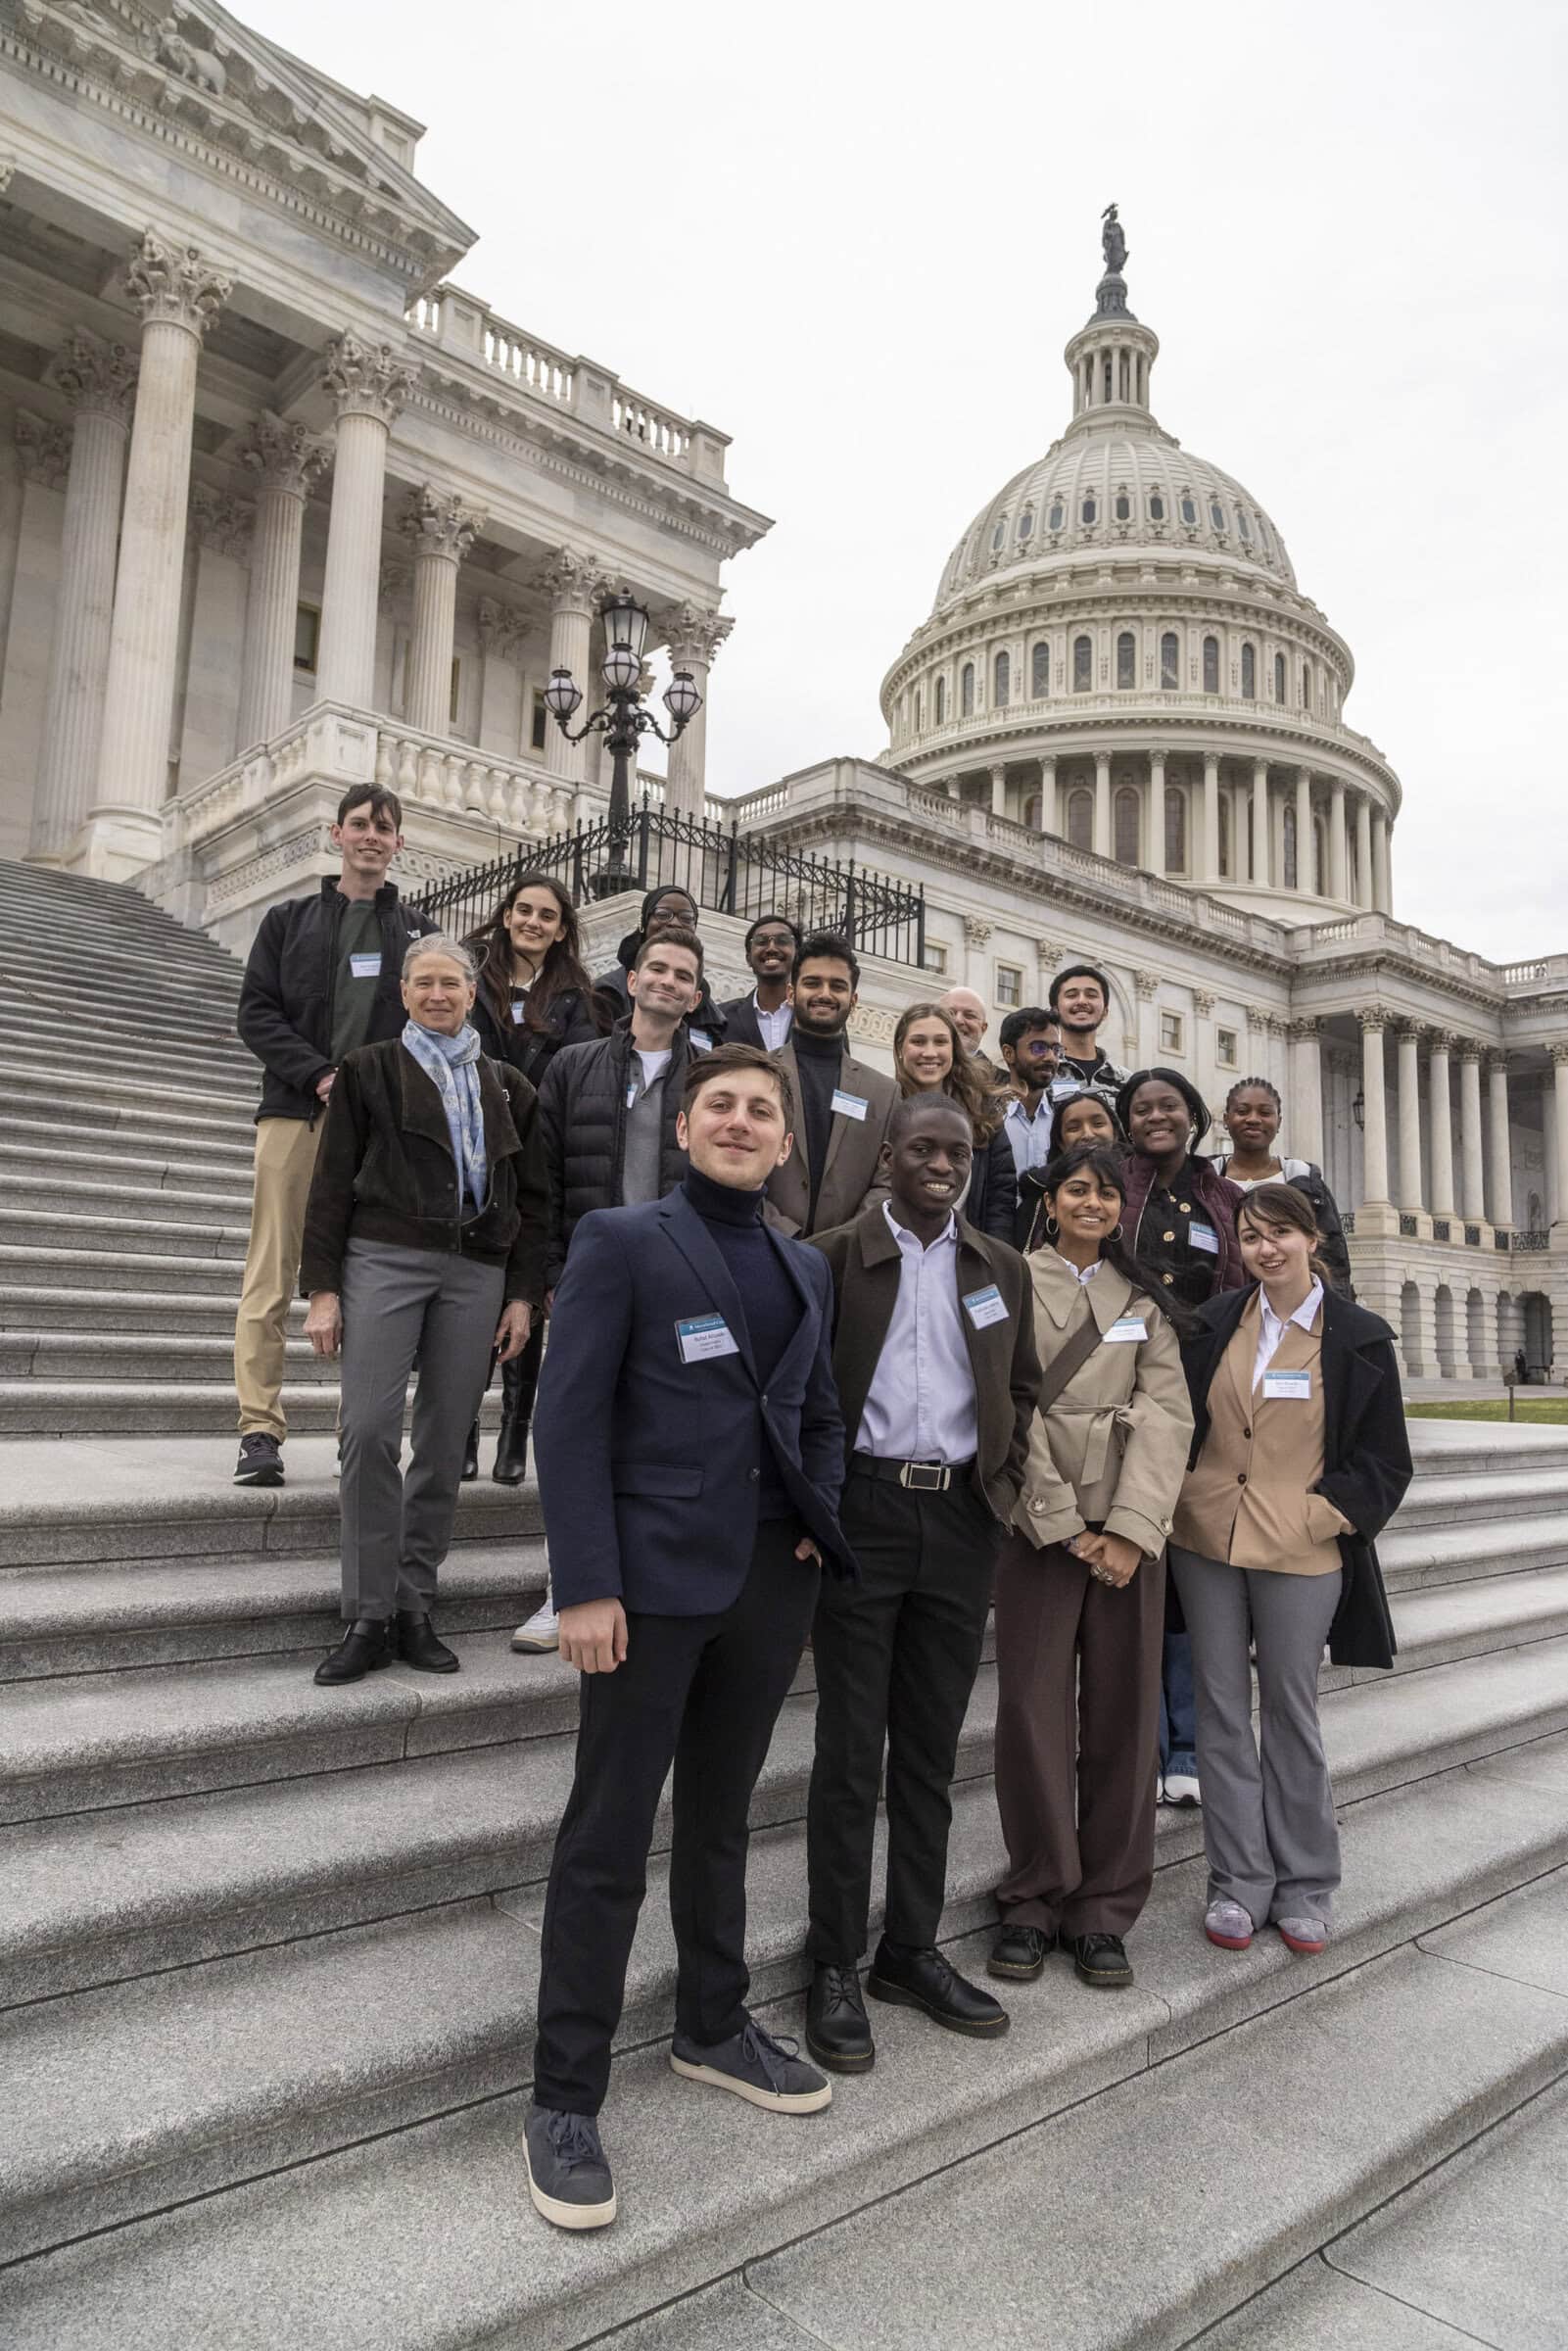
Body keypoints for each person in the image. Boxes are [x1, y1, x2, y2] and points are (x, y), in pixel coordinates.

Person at [523, 1044, 849, 2234]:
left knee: (720, 1820)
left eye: (763, 1110)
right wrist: (584, 1585)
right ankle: (565, 2097)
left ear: (785, 1141)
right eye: (721, 1103)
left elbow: (815, 1410)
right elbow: (568, 1423)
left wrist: (815, 1527)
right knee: (607, 1836)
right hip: (646, 1589)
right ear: (683, 1121)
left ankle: (712, 2026)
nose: (741, 1121)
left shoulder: (802, 1264)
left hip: (767, 1585)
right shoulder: (622, 1241)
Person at [804, 1096, 1040, 2071]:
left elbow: (1021, 1387)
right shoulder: (827, 1256)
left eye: (959, 1152)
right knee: (850, 1752)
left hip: (956, 1520)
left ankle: (908, 1949)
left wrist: (1000, 1480)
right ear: (888, 1157)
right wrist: (812, 1509)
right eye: (925, 1149)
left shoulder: (999, 1266)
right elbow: (800, 1386)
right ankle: (831, 1962)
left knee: (930, 1753)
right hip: (859, 1511)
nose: (943, 1164)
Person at [298, 936, 547, 1686]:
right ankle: (366, 1611)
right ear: (403, 993)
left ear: (473, 994)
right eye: (424, 983)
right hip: (384, 1256)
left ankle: (413, 1604)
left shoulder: (506, 1085)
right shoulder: (370, 1071)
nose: (438, 994)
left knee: (443, 1445)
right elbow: (331, 1182)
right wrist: (322, 1288)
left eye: (452, 983)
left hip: (476, 1270)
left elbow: (533, 1202)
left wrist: (523, 1295)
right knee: (368, 1429)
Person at [1171, 1182, 1410, 1956]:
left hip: (1300, 1548)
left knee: (1290, 1714)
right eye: (1249, 1235)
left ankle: (1306, 1883)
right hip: (1205, 1540)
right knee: (1216, 1713)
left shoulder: (1358, 1336)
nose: (1264, 1248)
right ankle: (1236, 1882)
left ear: (1312, 1239)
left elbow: (1384, 1462)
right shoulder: (1212, 1323)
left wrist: (1321, 1516)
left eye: (1280, 1233)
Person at [988, 1144, 1193, 1991]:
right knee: (1032, 1715)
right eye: (1077, 1188)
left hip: (1127, 1537)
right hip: (1040, 1530)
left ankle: (1104, 1907)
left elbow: (1166, 1413)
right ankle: (1035, 1896)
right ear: (1050, 1199)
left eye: (1106, 1192)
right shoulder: (1008, 1281)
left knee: (1122, 1718)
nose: (1093, 1203)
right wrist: (1064, 1523)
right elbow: (1003, 1398)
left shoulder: (1141, 1299)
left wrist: (1132, 1528)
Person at [232, 784, 436, 1488]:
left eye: (384, 828)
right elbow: (257, 1014)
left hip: (376, 1133)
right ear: (336, 834)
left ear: (399, 843)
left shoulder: (416, 933)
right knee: (271, 1272)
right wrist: (319, 1075)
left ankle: (362, 1430)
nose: (371, 837)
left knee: (371, 1277)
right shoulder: (288, 922)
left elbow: (430, 1027)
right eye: (359, 826)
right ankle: (259, 1428)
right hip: (295, 1115)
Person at [512, 926, 705, 1655]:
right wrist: (552, 1276)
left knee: (663, 1435)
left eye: (682, 974)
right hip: (590, 1283)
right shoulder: (574, 1064)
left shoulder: (709, 1074)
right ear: (632, 979)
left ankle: (644, 1582)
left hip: (676, 1285)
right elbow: (546, 1179)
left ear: (693, 994)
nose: (666, 981)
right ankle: (566, 1588)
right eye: (656, 968)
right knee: (575, 1434)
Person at [1116, 1067, 1246, 1810]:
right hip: (1123, 1377)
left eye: (1169, 1105)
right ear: (1126, 1120)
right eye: (1142, 1108)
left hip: (1203, 1385)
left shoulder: (1224, 1197)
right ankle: (1148, 1742)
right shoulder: (1113, 1184)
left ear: (1193, 1117)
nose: (1156, 1117)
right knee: (1138, 1552)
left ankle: (1189, 1744)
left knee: (1188, 1562)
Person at [462, 870, 606, 1485]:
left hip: (539, 1149)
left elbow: (576, 1072)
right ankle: (461, 1430)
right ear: (506, 914)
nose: (532, 923)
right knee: (469, 1297)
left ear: (563, 928)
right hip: (472, 1143)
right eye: (523, 910)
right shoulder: (473, 974)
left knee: (526, 1288)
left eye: (546, 915)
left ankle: (515, 1435)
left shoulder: (579, 994)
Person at [768, 932, 899, 1236]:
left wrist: (838, 1243)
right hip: (767, 1248)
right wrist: (785, 1234)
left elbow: (887, 1182)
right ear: (790, 993)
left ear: (853, 1000)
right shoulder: (756, 1073)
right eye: (813, 983)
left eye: (837, 986)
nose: (825, 993)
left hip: (848, 1261)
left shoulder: (884, 1093)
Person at [893, 1002, 1018, 1241]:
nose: (929, 1053)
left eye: (940, 1042)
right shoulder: (884, 1107)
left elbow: (1000, 1196)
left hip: (966, 1252)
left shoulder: (984, 1113)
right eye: (918, 1042)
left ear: (954, 1049)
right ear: (901, 1048)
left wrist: (991, 1257)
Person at [1215, 1077, 1353, 1291]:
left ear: (1279, 1122)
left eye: (1264, 1112)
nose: (1253, 1119)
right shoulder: (1204, 1180)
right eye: (1242, 1111)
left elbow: (1333, 1259)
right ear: (1226, 1119)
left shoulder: (1305, 1182)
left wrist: (1335, 1313)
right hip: (1220, 1308)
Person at [593, 885, 728, 1047]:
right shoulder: (608, 992)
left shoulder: (707, 1007)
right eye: (663, 914)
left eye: (686, 918)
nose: (675, 923)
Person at [1017, 1090, 1126, 1252]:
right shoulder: (1038, 1192)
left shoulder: (1141, 1183)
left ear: (1115, 1133)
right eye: (1074, 1128)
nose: (1087, 1134)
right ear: (1060, 1142)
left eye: (1098, 1124)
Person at [997, 1006, 1062, 1191]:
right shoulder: (986, 1116)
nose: (1050, 1058)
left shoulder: (1062, 1118)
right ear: (1009, 1053)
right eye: (1039, 1048)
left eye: (1056, 1050)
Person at [1048, 963, 1130, 1099]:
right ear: (1055, 1010)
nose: (1081, 1001)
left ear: (1105, 1011)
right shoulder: (1041, 1071)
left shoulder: (1127, 1081)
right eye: (1071, 995)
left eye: (1091, 995)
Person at [720, 912, 798, 1050]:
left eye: (782, 940)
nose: (771, 948)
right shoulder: (722, 1018)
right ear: (748, 958)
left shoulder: (815, 1014)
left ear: (797, 955)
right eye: (761, 941)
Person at [937, 985, 1005, 1084]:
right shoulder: (913, 1071)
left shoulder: (1003, 1084)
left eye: (969, 1015)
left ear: (983, 1028)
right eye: (950, 1013)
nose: (958, 1020)